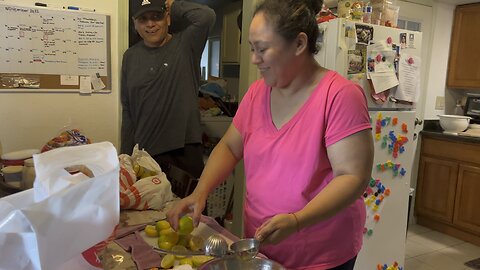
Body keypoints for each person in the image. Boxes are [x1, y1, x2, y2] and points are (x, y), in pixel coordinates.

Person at [167, 0, 374, 269]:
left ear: (299, 44)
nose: (254, 58)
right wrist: (200, 191)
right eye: (252, 48)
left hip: (320, 254)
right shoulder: (257, 92)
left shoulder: (340, 96)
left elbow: (353, 177)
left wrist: (298, 220)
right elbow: (231, 146)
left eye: (262, 49)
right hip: (262, 246)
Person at [120, 0, 215, 178]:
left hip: (184, 149)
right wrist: (125, 155)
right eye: (143, 19)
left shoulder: (186, 44)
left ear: (168, 19)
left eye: (157, 17)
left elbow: (206, 17)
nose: (150, 24)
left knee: (191, 204)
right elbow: (128, 110)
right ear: (135, 24)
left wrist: (173, 4)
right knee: (149, 205)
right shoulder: (130, 57)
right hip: (146, 153)